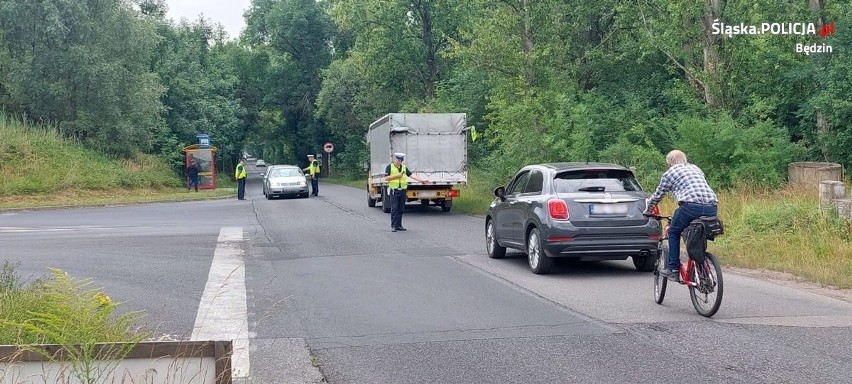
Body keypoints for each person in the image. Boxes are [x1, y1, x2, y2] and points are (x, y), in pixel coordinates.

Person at [644, 150, 718, 280]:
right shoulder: (695, 168)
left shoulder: (669, 173)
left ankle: (673, 268)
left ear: (669, 163)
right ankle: (701, 265)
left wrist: (648, 210)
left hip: (690, 207)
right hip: (711, 207)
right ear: (684, 159)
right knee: (698, 231)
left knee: (673, 231)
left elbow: (658, 195)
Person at [383, 153, 431, 232]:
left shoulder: (404, 168)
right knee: (394, 209)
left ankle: (399, 225)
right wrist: (396, 176)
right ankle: (394, 226)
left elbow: (412, 176)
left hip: (402, 191)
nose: (399, 162)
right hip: (394, 191)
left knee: (401, 209)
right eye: (397, 160)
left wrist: (423, 180)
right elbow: (386, 178)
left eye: (400, 160)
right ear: (394, 159)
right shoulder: (389, 167)